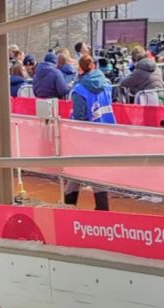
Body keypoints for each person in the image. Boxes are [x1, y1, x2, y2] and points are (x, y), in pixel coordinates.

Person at [67, 54, 113, 211]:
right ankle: (69, 206)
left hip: (86, 137)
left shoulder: (79, 91)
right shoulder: (106, 84)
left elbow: (79, 118)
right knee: (78, 171)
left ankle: (100, 210)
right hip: (105, 132)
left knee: (89, 171)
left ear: (80, 68)